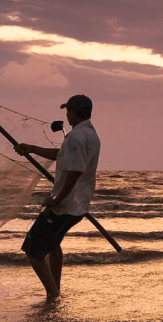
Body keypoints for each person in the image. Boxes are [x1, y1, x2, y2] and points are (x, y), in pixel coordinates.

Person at [14, 94, 100, 301]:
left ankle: (52, 295)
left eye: (68, 111)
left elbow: (76, 171)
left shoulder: (78, 137)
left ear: (74, 112)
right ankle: (56, 291)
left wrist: (57, 199)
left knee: (33, 251)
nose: (66, 115)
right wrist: (32, 149)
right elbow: (62, 155)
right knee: (52, 245)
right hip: (78, 205)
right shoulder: (89, 134)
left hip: (65, 206)